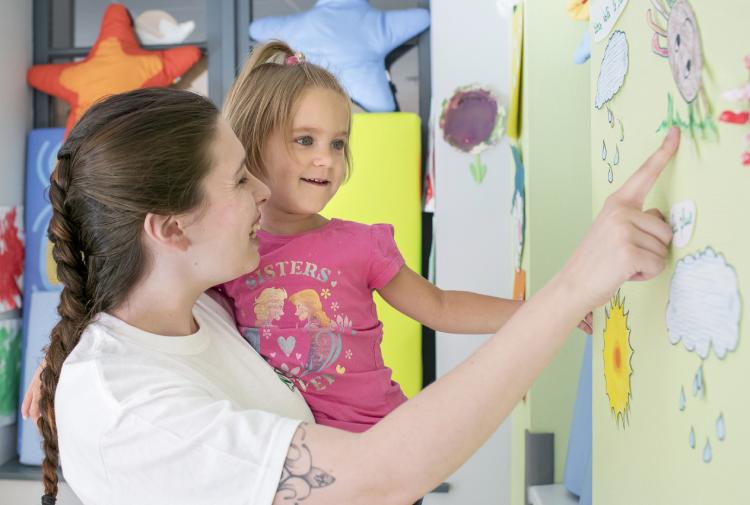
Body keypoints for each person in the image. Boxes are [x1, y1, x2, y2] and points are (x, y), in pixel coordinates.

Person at [25, 86, 679, 505]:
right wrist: (570, 289)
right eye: (239, 178)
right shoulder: (125, 407)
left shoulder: (198, 304)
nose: (263, 191)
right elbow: (379, 474)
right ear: (170, 227)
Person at [216, 42, 592, 431]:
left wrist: (546, 308)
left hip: (382, 441)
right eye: (305, 140)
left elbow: (440, 306)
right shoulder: (227, 256)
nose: (327, 159)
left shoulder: (360, 246)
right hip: (297, 456)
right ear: (252, 142)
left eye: (338, 143)